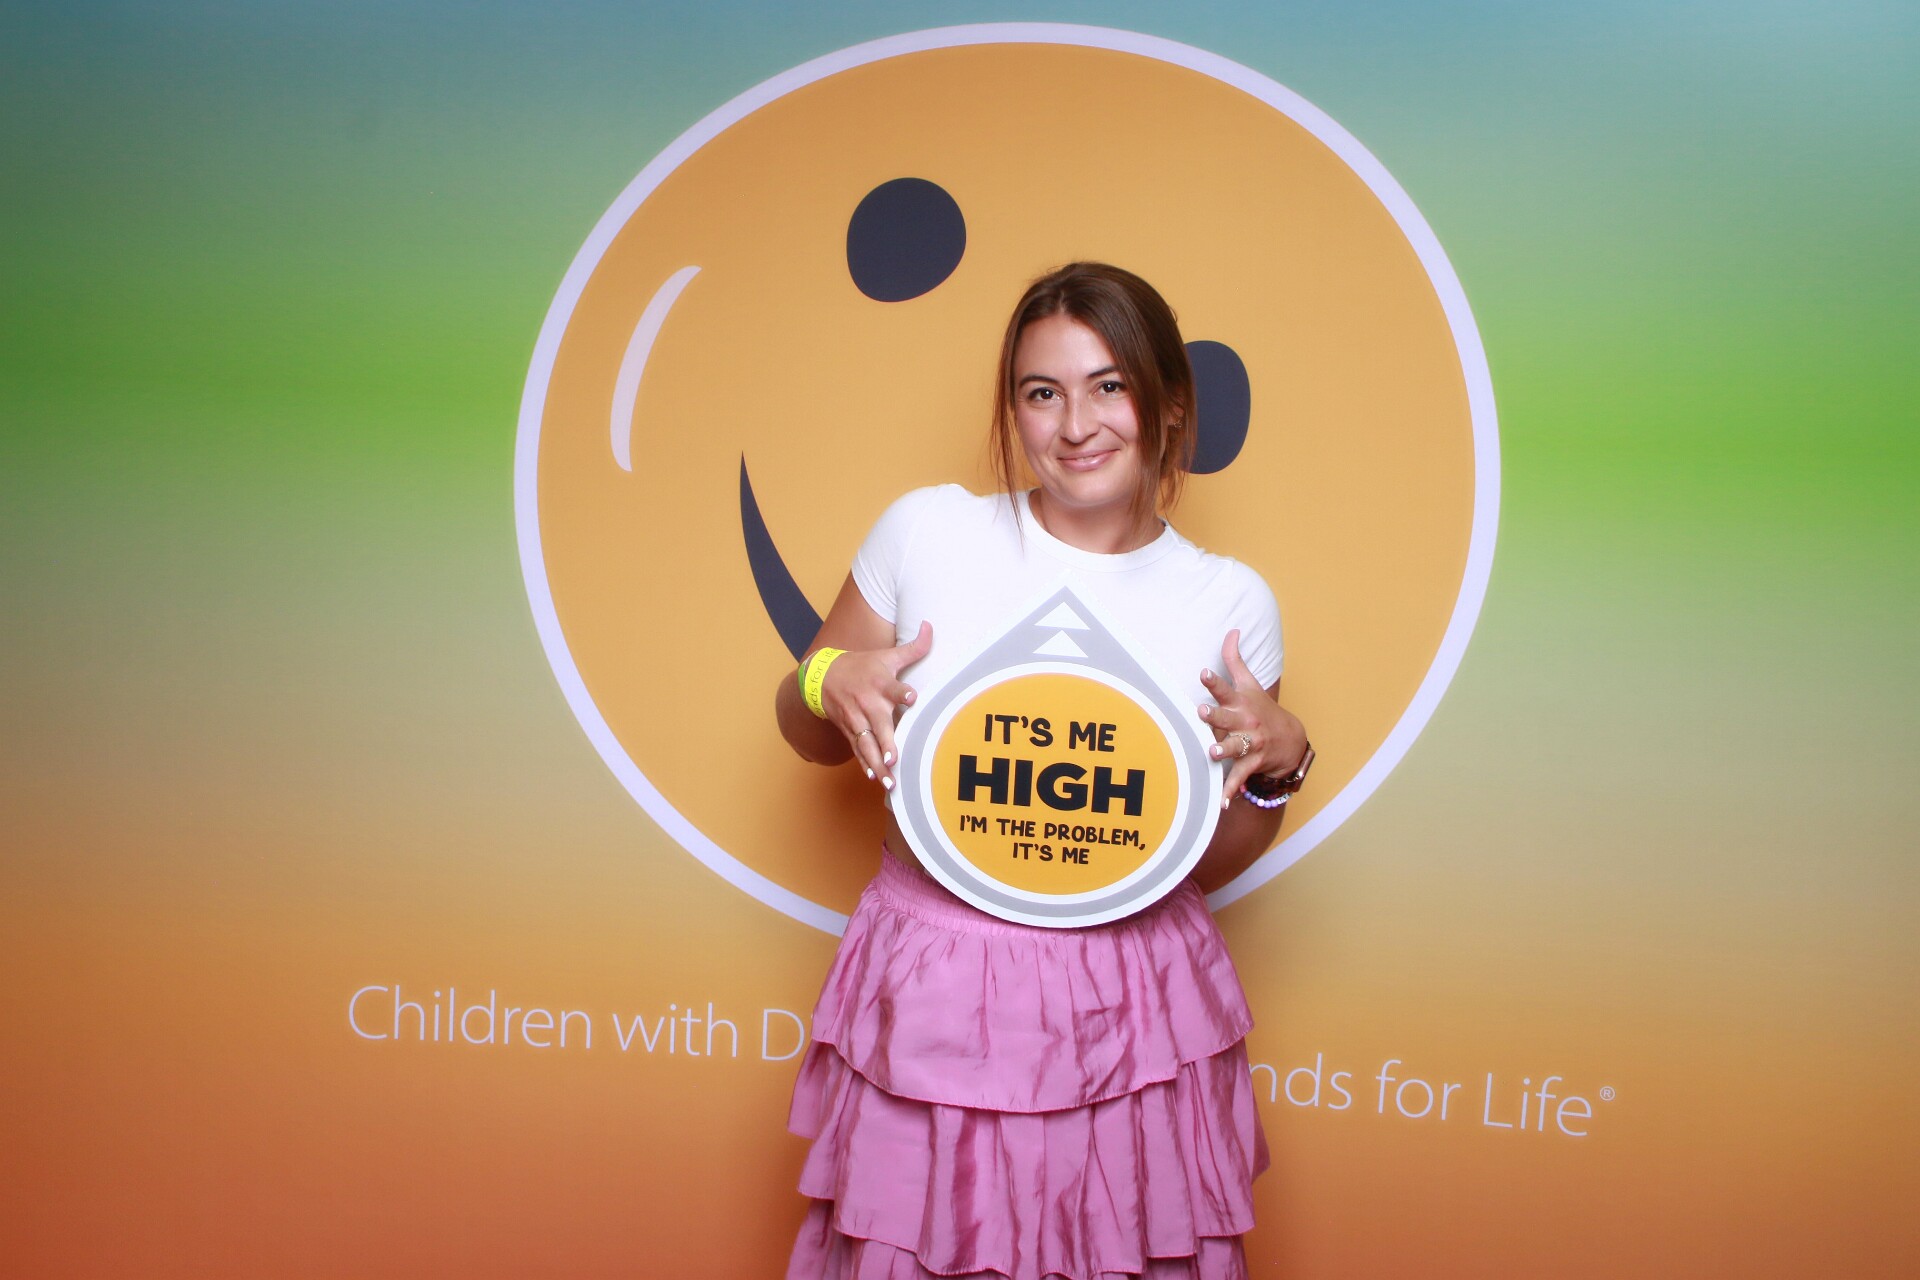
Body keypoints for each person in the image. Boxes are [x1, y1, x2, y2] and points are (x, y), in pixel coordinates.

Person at [775, 262, 1312, 1279]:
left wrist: (1279, 767)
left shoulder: (1229, 601)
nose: (1075, 425)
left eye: (1109, 386)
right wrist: (824, 680)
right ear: (1013, 408)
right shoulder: (928, 531)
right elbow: (806, 730)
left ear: (1170, 404)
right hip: (934, 970)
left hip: (1128, 993)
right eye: (1041, 392)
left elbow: (1199, 857)